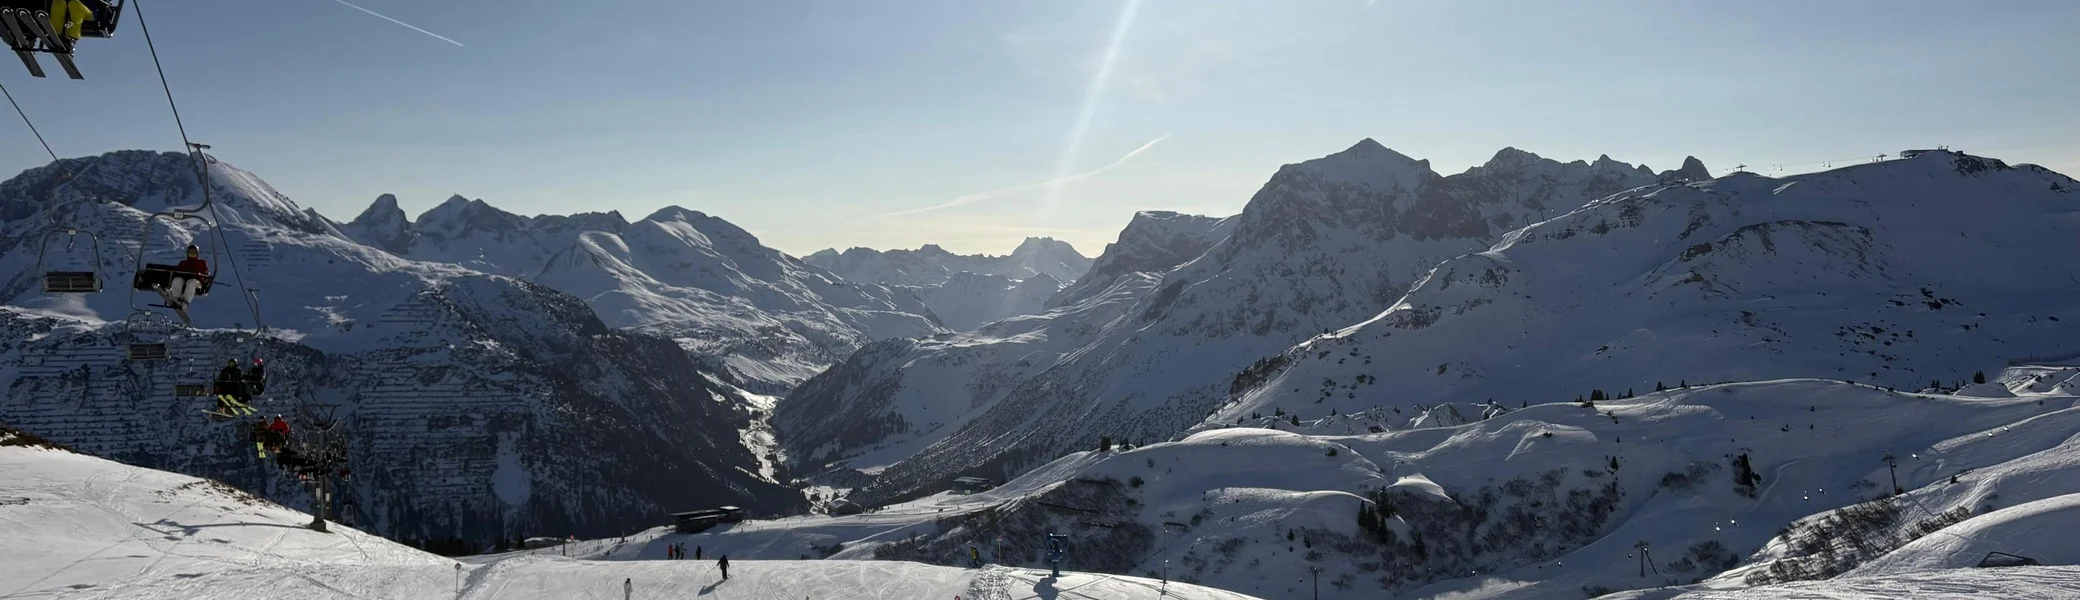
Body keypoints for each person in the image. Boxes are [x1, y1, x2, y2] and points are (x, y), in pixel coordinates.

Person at [167, 244, 209, 309]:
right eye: (190, 252)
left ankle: (185, 302)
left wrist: (200, 276)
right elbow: (178, 272)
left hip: (197, 282)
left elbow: (205, 273)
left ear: (197, 253)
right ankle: (176, 298)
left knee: (191, 282)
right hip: (185, 280)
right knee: (177, 280)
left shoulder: (202, 263)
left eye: (194, 252)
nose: (192, 253)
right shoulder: (183, 263)